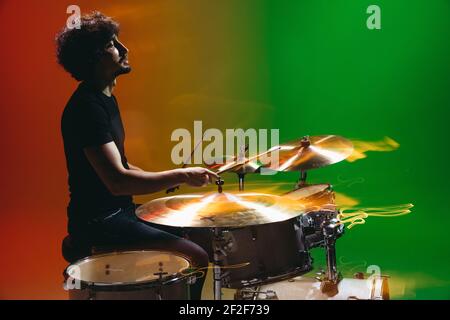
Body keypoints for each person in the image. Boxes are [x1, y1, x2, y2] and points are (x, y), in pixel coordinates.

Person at [56, 11, 217, 299]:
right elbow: (118, 181)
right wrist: (181, 174)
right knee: (196, 257)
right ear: (94, 58)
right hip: (99, 222)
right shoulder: (86, 109)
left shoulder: (104, 98)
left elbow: (121, 165)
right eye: (111, 44)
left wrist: (166, 181)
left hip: (118, 213)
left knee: (197, 230)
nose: (124, 49)